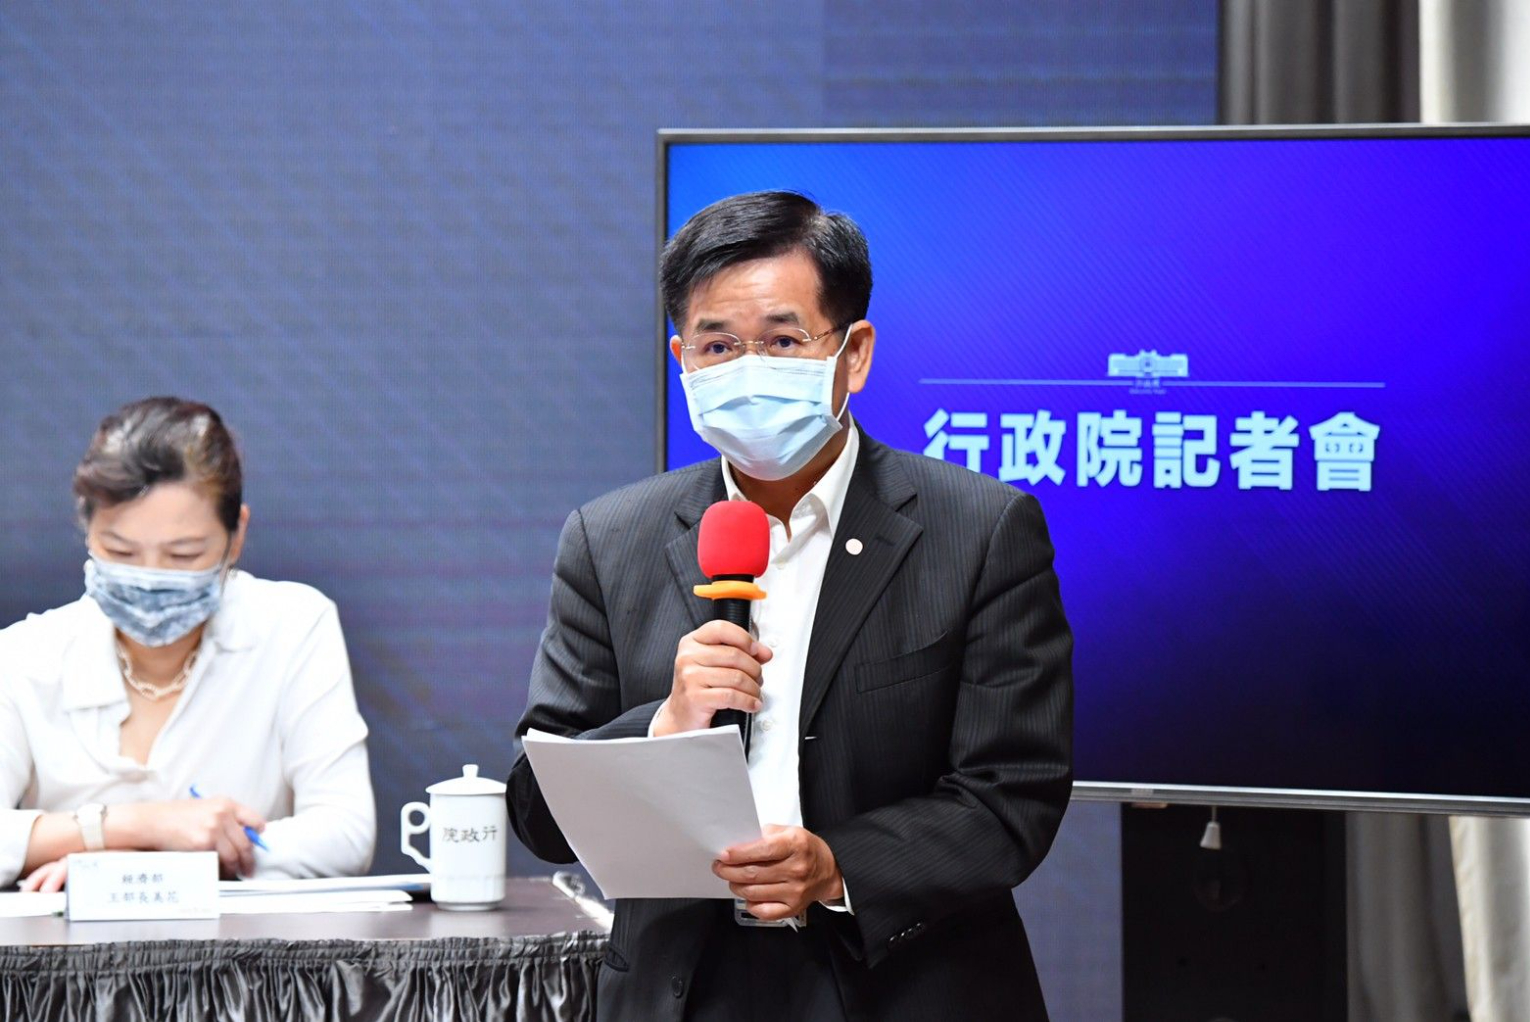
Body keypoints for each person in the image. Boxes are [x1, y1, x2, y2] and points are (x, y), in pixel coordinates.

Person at [508, 191, 1073, 1020]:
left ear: (853, 353)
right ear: (682, 359)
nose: (748, 369)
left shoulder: (980, 530)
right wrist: (665, 723)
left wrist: (837, 865)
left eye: (781, 341)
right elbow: (539, 810)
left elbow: (1011, 795)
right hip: (683, 987)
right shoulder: (611, 539)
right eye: (718, 346)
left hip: (898, 980)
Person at [0, 397, 375, 891]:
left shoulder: (293, 627)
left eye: (183, 554)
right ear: (88, 530)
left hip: (245, 943)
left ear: (236, 536)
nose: (150, 576)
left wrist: (139, 868)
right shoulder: (25, 655)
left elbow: (345, 835)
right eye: (120, 551)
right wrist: (138, 827)